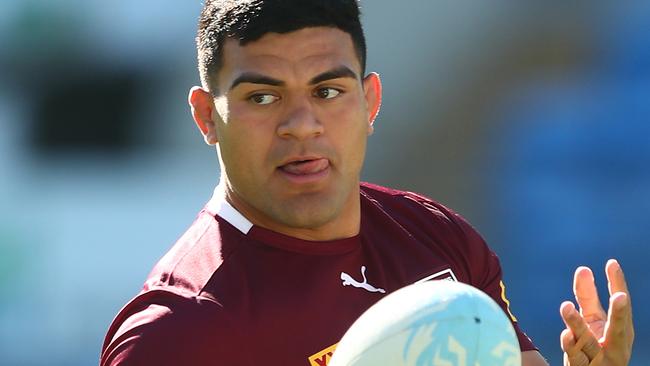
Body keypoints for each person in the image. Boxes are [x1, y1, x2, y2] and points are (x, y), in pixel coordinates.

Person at [100, 1, 635, 365]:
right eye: (263, 97)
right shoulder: (175, 333)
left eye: (328, 92)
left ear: (370, 101)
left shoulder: (436, 240)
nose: (301, 125)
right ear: (206, 117)